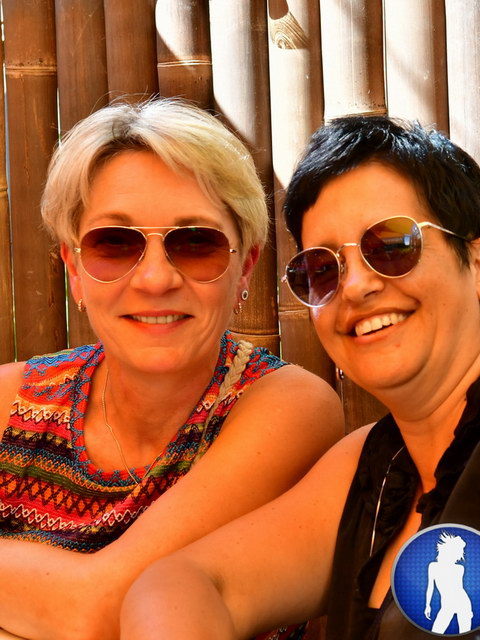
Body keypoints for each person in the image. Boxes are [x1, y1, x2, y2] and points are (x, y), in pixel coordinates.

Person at [120, 116, 480, 640]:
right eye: (323, 270)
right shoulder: (375, 463)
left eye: (392, 247)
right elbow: (183, 583)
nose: (356, 287)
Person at [0, 98, 343, 640]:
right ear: (74, 269)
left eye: (196, 243)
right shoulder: (13, 402)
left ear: (245, 267)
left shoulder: (287, 408)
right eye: (115, 243)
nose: (156, 279)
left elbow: (103, 609)